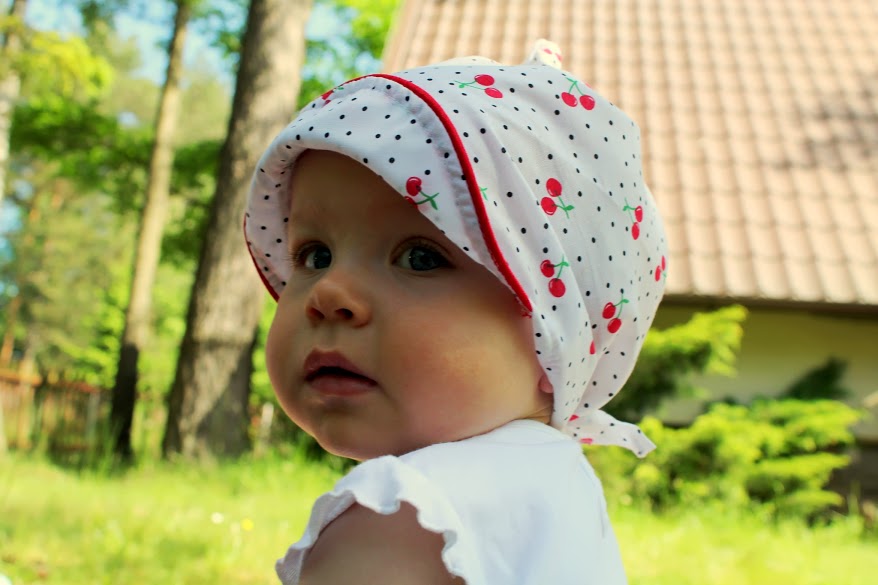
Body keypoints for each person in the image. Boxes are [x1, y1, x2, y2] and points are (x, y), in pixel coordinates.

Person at [244, 39, 668, 585]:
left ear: (554, 334)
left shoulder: (406, 517)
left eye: (420, 258)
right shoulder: (554, 490)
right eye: (313, 255)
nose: (329, 292)